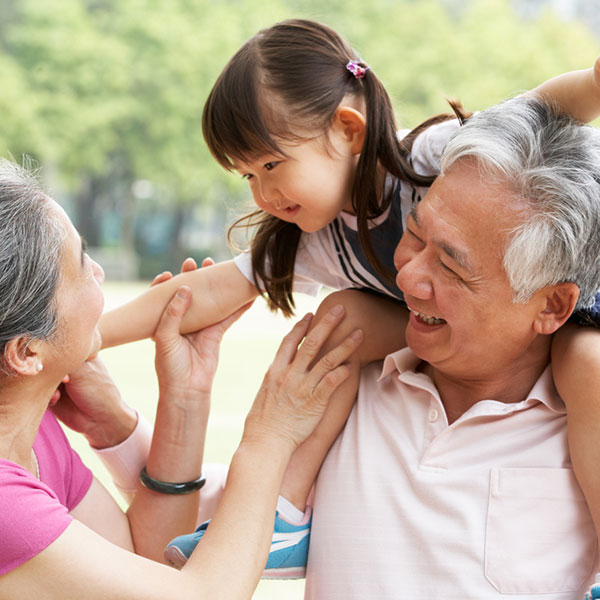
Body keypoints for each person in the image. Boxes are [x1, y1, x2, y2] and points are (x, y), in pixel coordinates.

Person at [96, 19, 600, 573]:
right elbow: (203, 293)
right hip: (410, 331)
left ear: (348, 130)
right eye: (248, 177)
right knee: (339, 320)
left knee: (589, 362)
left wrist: (593, 85)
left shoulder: (430, 159)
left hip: (584, 316)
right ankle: (287, 513)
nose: (263, 193)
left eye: (270, 165)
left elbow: (536, 111)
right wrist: (82, 337)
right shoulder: (320, 244)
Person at [0, 157, 364, 599]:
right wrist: (271, 435)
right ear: (26, 352)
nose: (98, 271)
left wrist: (184, 398)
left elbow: (144, 561)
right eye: (79, 265)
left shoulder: (35, 433)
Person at [303, 94, 600, 598]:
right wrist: (178, 406)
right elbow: (206, 551)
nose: (409, 276)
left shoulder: (584, 410)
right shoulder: (343, 372)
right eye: (415, 236)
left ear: (551, 306)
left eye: (452, 268)